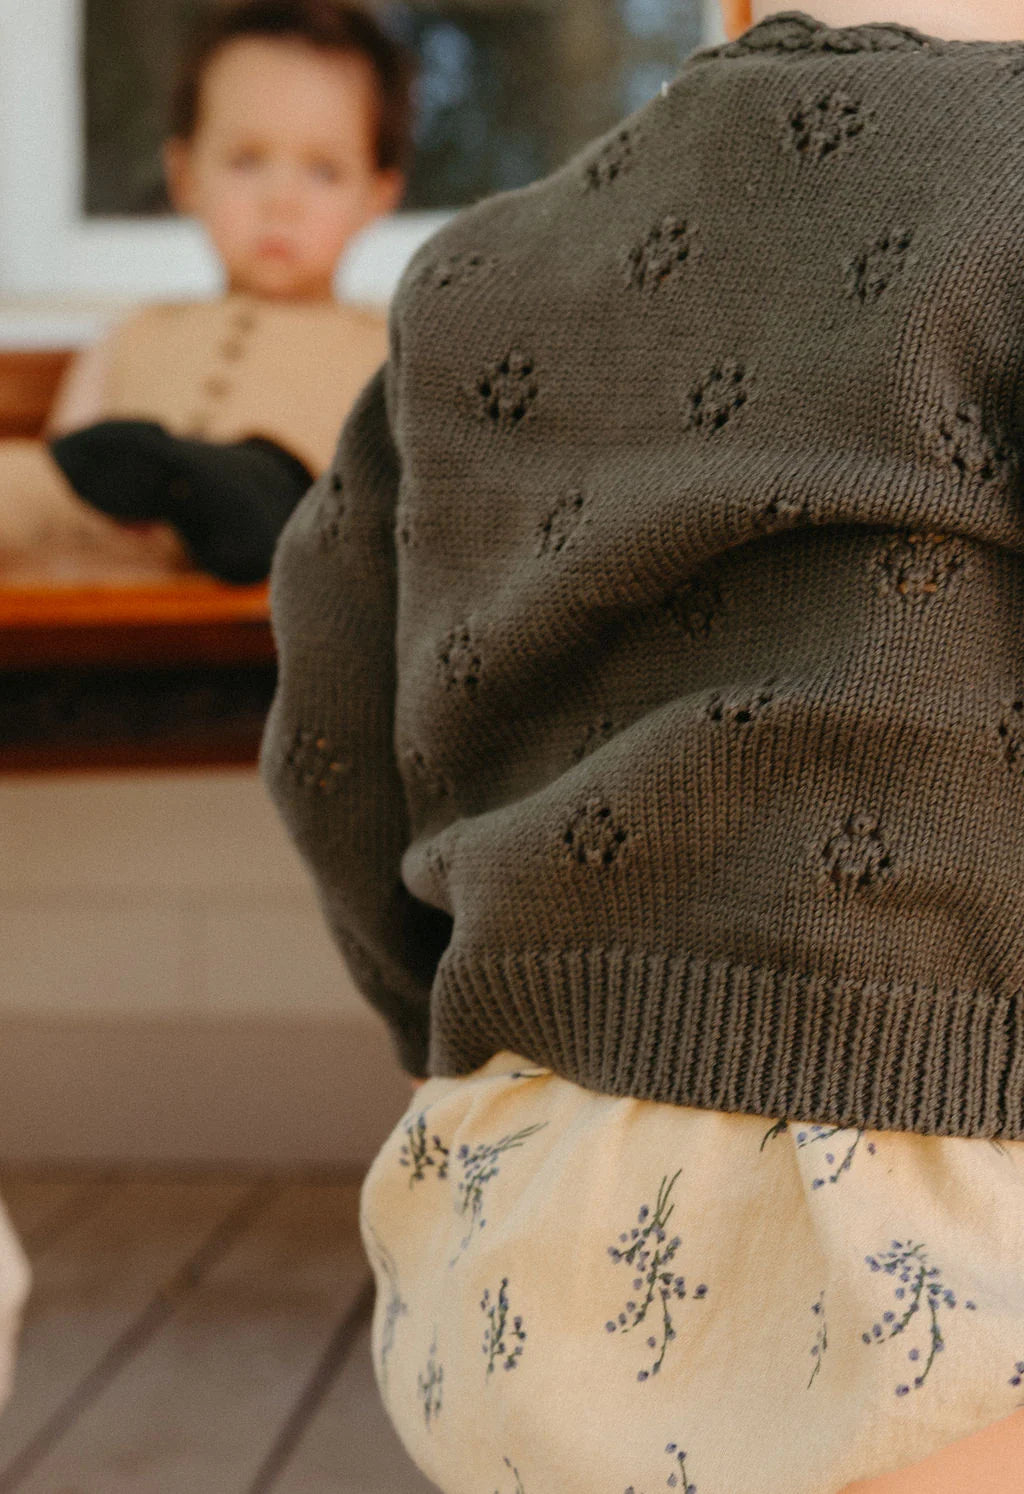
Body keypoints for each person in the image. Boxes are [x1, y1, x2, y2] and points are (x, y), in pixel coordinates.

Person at [260, 0, 1024, 1488]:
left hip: (516, 1229)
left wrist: (479, 1031)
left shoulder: (469, 272)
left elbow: (328, 748)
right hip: (951, 1260)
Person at [0, 0, 409, 583]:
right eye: (246, 161)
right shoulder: (133, 337)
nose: (281, 201)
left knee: (308, 505)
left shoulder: (391, 352)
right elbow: (61, 487)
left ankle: (251, 488)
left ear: (378, 195)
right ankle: (189, 479)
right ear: (185, 176)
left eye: (324, 170)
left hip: (293, 613)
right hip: (125, 620)